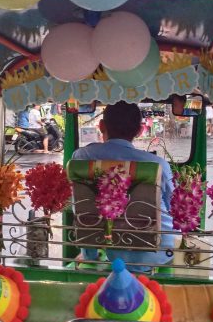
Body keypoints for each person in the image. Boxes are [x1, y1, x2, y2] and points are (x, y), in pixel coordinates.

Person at [71, 101, 176, 271]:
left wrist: (89, 255)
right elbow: (174, 208)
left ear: (101, 125)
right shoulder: (158, 164)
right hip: (159, 254)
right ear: (140, 130)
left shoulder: (82, 158)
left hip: (112, 251)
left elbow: (82, 208)